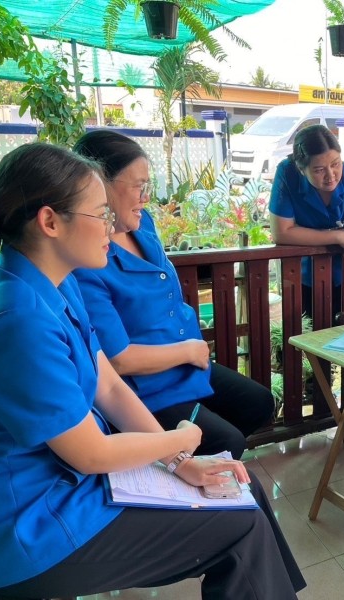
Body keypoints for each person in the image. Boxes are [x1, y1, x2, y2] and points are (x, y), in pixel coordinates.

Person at [0, 143, 305, 599]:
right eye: (100, 214)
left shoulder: (53, 282)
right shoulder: (17, 318)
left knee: (238, 491)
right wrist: (179, 441)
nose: (111, 227)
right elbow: (89, 454)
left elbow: (107, 384)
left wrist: (182, 462)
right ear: (50, 222)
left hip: (64, 489)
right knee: (241, 525)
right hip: (29, 527)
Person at [73, 130, 273, 461]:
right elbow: (117, 359)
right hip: (148, 384)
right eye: (138, 186)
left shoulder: (142, 223)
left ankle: (192, 466)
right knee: (228, 441)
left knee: (259, 403)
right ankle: (184, 469)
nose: (145, 197)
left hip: (185, 362)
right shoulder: (88, 259)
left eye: (148, 186)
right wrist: (188, 350)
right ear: (98, 184)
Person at [269, 124, 344, 318]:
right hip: (300, 271)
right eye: (319, 170)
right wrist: (337, 236)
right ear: (301, 169)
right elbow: (281, 233)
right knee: (304, 327)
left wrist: (301, 232)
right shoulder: (287, 172)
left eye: (336, 164)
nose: (331, 175)